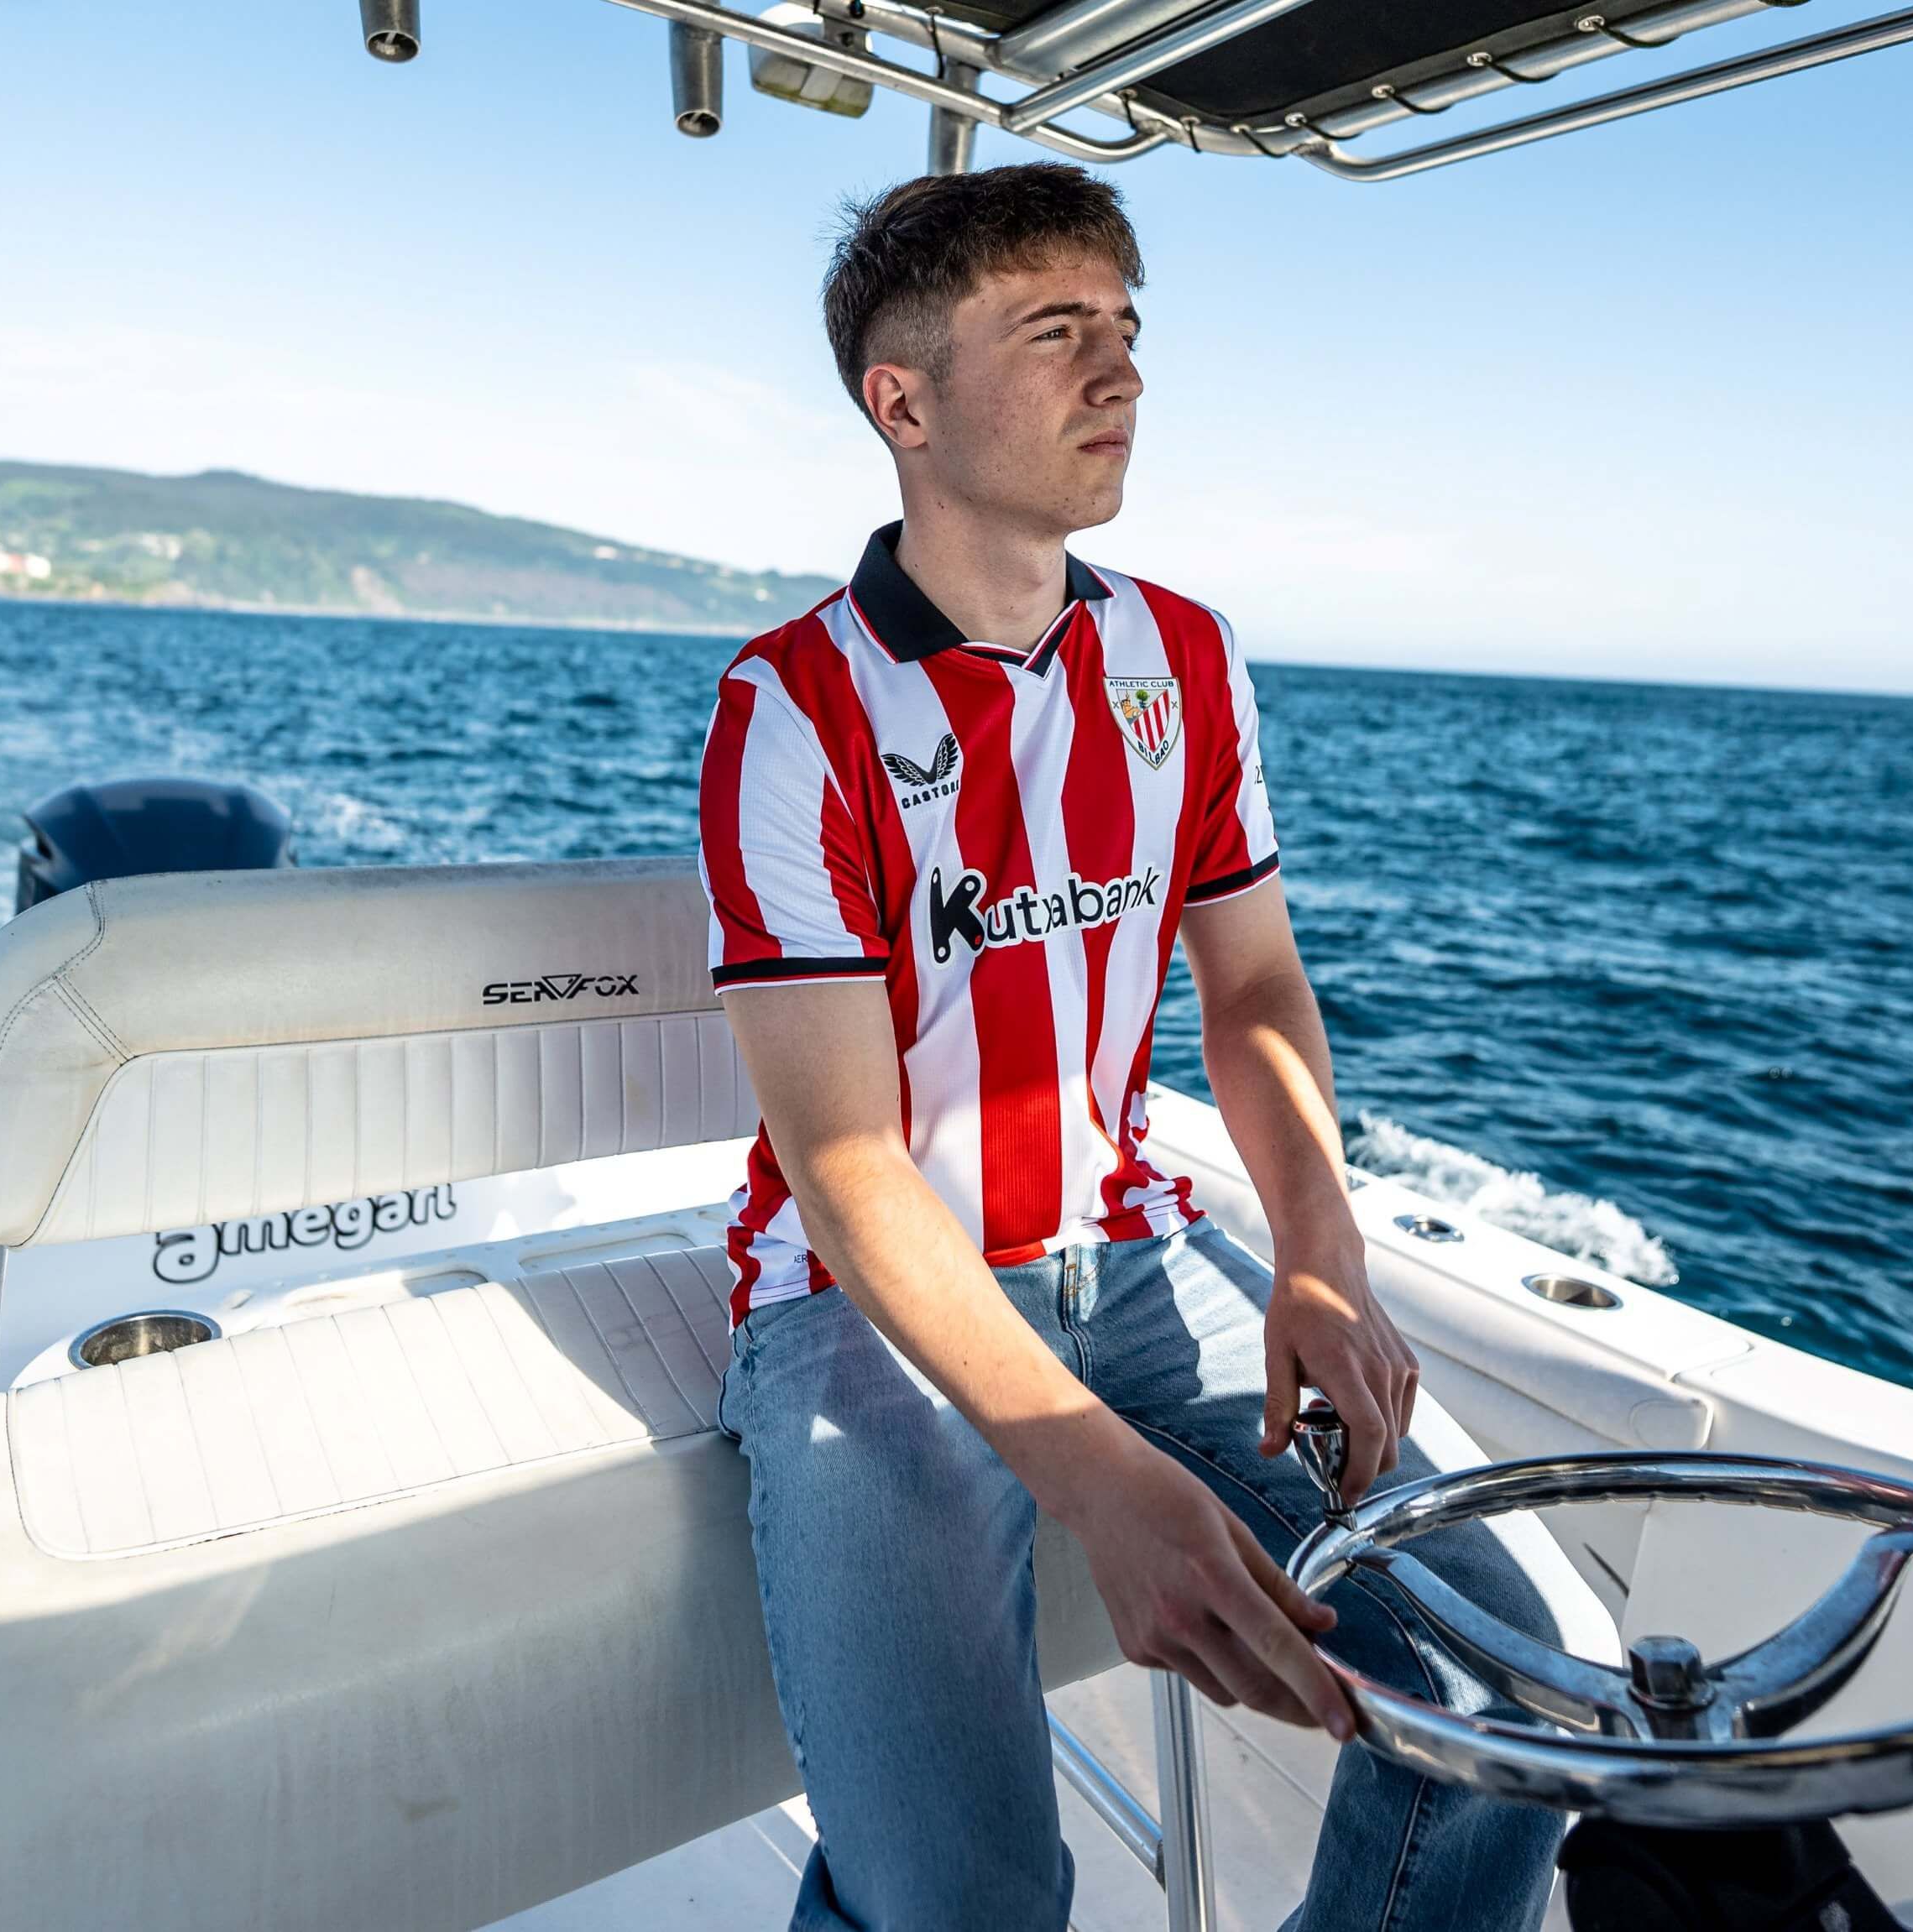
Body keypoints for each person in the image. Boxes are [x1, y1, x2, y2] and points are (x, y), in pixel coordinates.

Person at [697, 160, 1581, 1931]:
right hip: (864, 1310)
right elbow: (846, 1164)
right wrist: (1095, 1471)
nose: (1122, 375)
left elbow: (1248, 988)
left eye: (1125, 331)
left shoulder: (1184, 656)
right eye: (1056, 333)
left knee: (1517, 1689)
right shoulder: (789, 707)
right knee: (959, 1900)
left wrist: (1319, 1257)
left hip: (1138, 1262)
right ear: (905, 403)